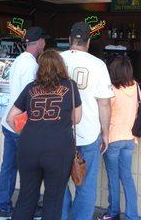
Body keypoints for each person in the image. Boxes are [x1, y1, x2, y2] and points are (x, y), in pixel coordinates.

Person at [6, 49, 82, 220]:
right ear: (61, 66)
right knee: (53, 201)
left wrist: (28, 132)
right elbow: (76, 119)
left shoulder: (31, 87)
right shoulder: (70, 86)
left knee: (26, 198)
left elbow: (11, 118)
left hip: (29, 147)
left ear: (40, 68)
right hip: (58, 149)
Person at [61, 22, 114, 220]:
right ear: (89, 42)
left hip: (59, 134)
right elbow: (104, 104)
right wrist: (106, 134)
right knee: (85, 186)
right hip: (89, 134)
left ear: (69, 39)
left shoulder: (56, 59)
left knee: (58, 184)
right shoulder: (98, 64)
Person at [0, 27, 47, 220]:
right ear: (40, 42)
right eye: (44, 41)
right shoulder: (32, 66)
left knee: (8, 167)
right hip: (21, 125)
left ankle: (2, 208)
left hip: (9, 122)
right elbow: (31, 98)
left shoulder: (18, 61)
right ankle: (29, 208)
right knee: (30, 170)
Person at [98, 56, 139, 220]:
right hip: (129, 138)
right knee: (127, 178)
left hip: (113, 139)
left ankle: (113, 213)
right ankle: (132, 216)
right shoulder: (135, 86)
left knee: (113, 178)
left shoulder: (111, 90)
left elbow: (104, 112)